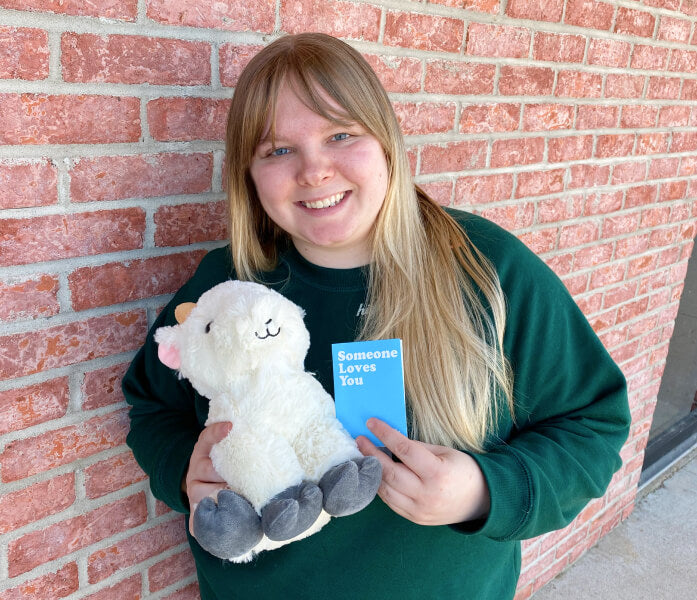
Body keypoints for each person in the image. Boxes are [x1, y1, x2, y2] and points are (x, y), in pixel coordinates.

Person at [123, 32, 631, 600]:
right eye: (278, 150)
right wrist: (187, 474)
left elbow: (593, 425)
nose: (313, 170)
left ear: (386, 141)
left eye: (341, 134)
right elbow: (151, 408)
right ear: (249, 172)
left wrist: (483, 491)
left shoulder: (489, 269)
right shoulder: (225, 288)